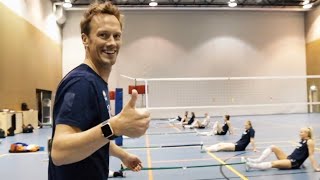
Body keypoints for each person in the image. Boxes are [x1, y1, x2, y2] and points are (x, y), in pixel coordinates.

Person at [48, 2, 150, 180]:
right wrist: (115, 126)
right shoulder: (82, 83)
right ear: (85, 39)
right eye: (103, 35)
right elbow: (59, 151)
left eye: (116, 36)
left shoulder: (96, 82)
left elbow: (93, 135)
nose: (111, 43)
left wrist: (122, 155)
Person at [242, 127, 320, 172]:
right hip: (289, 158)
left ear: (307, 134)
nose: (300, 133)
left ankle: (251, 165)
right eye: (300, 132)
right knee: (273, 147)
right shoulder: (303, 140)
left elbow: (311, 155)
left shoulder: (310, 141)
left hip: (294, 163)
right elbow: (301, 152)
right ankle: (257, 160)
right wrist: (302, 162)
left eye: (302, 132)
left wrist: (315, 167)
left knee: (273, 163)